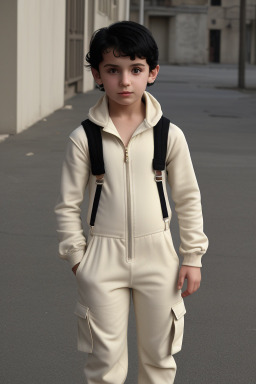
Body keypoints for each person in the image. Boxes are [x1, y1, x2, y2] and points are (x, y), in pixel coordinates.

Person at [54, 20, 209, 384]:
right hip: (101, 260)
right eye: (113, 70)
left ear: (152, 73)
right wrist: (78, 258)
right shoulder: (83, 138)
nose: (125, 81)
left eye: (136, 70)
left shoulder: (169, 135)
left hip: (159, 258)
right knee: (104, 364)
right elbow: (67, 204)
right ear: (97, 74)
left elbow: (188, 197)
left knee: (159, 360)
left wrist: (193, 257)